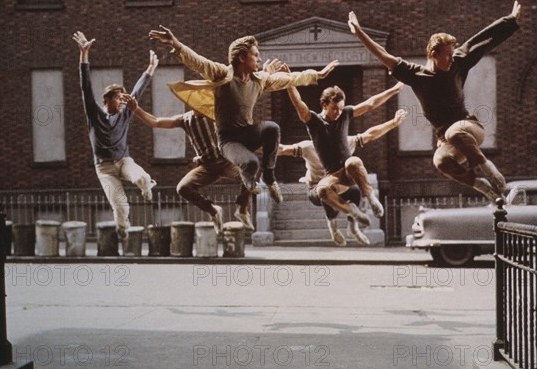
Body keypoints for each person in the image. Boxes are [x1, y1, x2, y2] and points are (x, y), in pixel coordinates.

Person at [348, 1, 522, 201]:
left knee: (454, 131)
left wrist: (509, 21)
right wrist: (359, 33)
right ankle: (484, 188)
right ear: (433, 54)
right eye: (447, 55)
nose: (451, 59)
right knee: (440, 160)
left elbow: (482, 41)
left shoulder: (458, 63)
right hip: (447, 139)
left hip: (470, 128)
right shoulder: (416, 74)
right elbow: (384, 55)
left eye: (452, 55)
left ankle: (492, 174)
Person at [148, 26, 338, 204]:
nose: (259, 59)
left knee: (272, 128)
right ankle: (249, 181)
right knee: (251, 162)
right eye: (255, 55)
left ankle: (270, 177)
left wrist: (316, 75)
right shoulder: (223, 75)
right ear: (241, 57)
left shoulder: (259, 80)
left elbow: (288, 79)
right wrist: (176, 44)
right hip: (228, 141)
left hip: (248, 133)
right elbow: (199, 62)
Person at [286, 82, 405, 245]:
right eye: (335, 108)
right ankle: (351, 212)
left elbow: (370, 105)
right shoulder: (313, 121)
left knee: (354, 161)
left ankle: (370, 198)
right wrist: (288, 83)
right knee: (321, 190)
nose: (338, 113)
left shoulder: (345, 115)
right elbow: (298, 104)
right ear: (324, 104)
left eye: (341, 109)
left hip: (347, 174)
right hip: (331, 177)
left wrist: (393, 91)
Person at [122, 95, 254, 234]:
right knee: (183, 188)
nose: (198, 107)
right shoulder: (185, 119)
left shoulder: (217, 115)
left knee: (249, 176)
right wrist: (136, 109)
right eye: (194, 104)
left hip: (227, 163)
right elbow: (156, 122)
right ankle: (213, 210)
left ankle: (242, 210)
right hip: (207, 167)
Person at [73, 31, 158, 239]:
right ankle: (122, 228)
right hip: (104, 169)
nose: (121, 102)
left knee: (141, 177)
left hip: (123, 161)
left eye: (122, 99)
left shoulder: (125, 112)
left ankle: (147, 187)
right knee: (120, 206)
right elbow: (85, 87)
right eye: (118, 98)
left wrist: (150, 69)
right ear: (107, 99)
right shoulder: (94, 114)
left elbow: (137, 92)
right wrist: (84, 55)